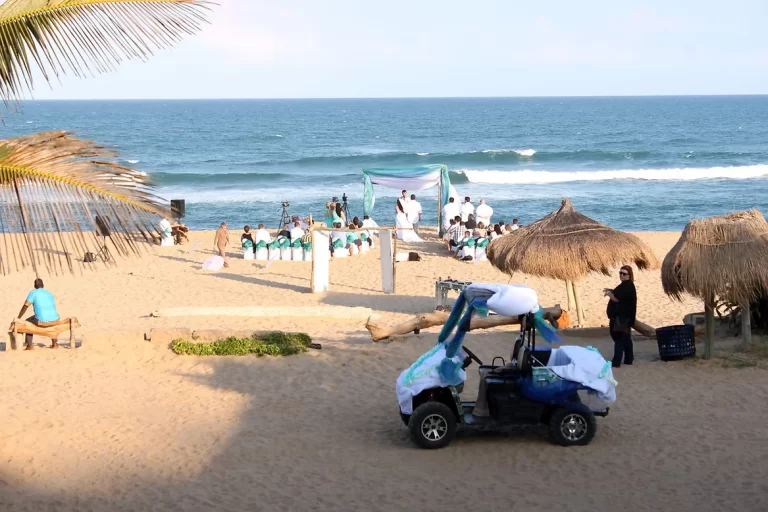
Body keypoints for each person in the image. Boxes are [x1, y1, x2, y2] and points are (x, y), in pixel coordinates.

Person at [604, 265, 637, 368]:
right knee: (625, 338)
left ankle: (616, 362)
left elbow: (617, 298)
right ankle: (629, 358)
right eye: (620, 273)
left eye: (624, 274)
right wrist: (611, 291)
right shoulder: (625, 285)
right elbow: (619, 294)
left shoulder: (627, 286)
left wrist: (609, 294)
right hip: (624, 317)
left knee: (618, 338)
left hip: (622, 317)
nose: (621, 275)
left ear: (629, 275)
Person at [13, 278, 60, 350]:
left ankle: (29, 345)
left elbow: (25, 306)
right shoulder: (49, 293)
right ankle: (55, 343)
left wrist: (18, 317)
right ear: (43, 285)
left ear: (34, 286)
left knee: (27, 322)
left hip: (42, 320)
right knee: (49, 318)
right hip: (55, 319)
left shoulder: (33, 293)